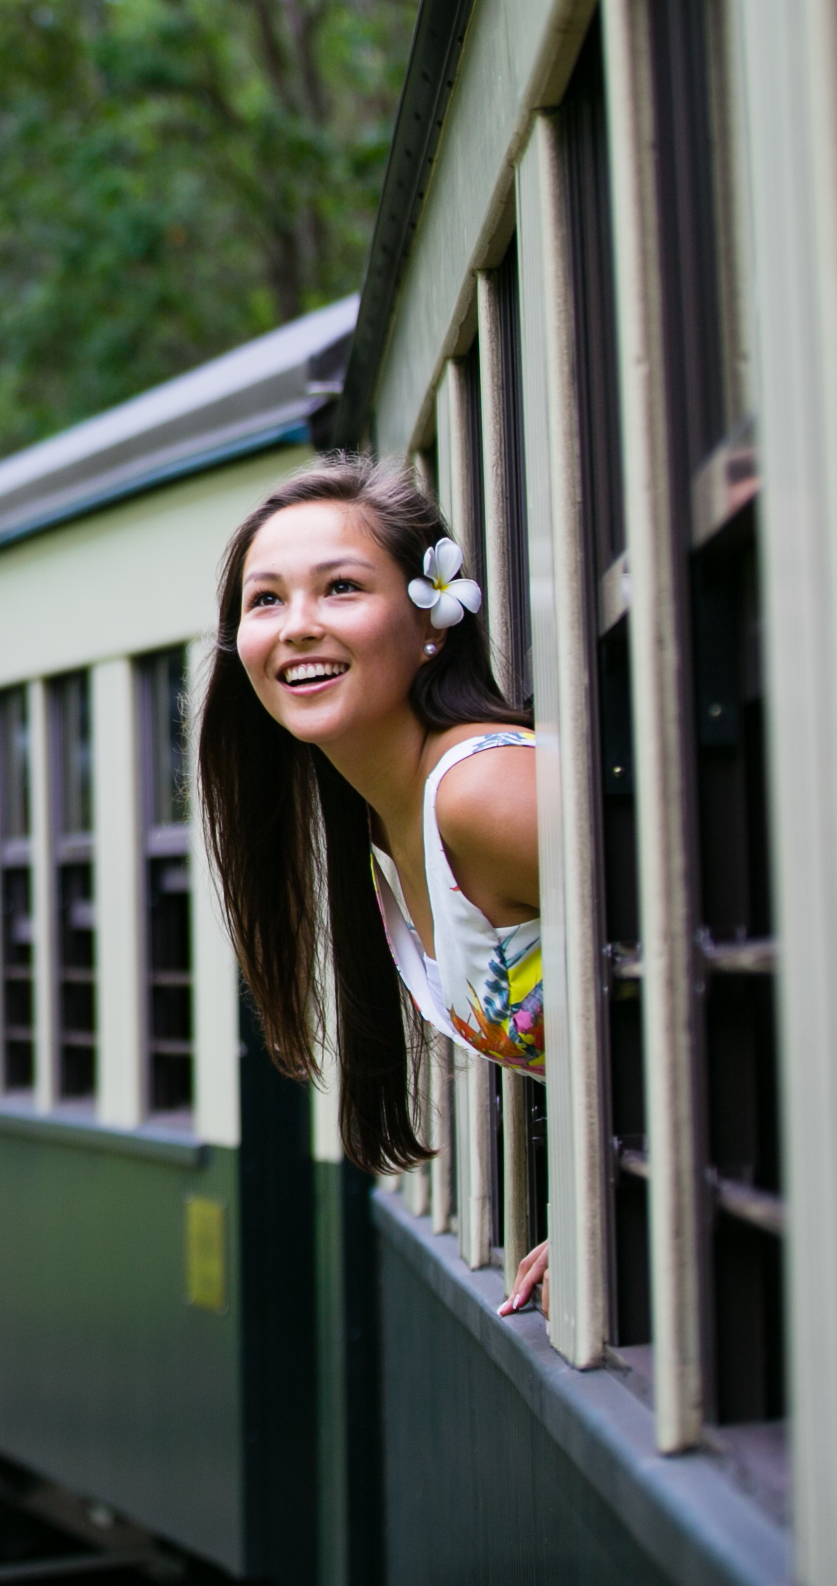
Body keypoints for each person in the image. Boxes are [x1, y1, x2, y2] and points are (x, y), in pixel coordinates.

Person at [196, 454, 549, 1317]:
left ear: (433, 621)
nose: (297, 626)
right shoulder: (382, 833)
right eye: (266, 600)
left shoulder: (483, 794)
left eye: (342, 588)